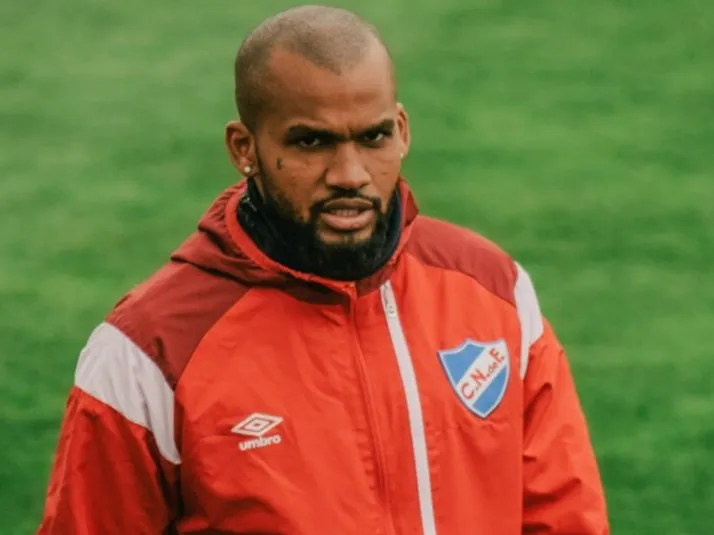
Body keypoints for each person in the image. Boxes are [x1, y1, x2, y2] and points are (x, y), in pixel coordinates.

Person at [37, 5, 609, 534]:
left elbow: (563, 517)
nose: (350, 174)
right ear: (243, 148)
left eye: (373, 137)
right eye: (312, 142)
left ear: (402, 130)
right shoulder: (149, 351)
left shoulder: (493, 290)